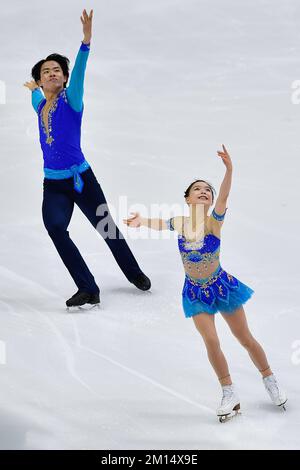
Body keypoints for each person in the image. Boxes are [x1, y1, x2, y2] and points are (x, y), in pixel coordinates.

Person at [124, 145, 287, 421]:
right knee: (211, 341)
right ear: (187, 198)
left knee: (244, 338)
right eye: (197, 189)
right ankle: (229, 392)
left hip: (222, 287)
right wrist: (141, 221)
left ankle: (269, 379)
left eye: (207, 191)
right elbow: (159, 223)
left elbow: (224, 195)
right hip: (195, 292)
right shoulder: (179, 222)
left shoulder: (214, 223)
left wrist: (229, 170)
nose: (203, 191)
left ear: (211, 201)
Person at [23, 9, 151, 308]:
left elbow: (79, 71)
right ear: (41, 82)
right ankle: (88, 287)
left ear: (65, 78)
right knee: (55, 228)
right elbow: (34, 97)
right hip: (53, 185)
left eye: (57, 70)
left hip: (81, 180)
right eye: (45, 72)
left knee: (106, 228)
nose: (52, 73)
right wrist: (31, 89)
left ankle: (133, 273)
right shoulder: (40, 104)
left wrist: (86, 43)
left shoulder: (72, 99)